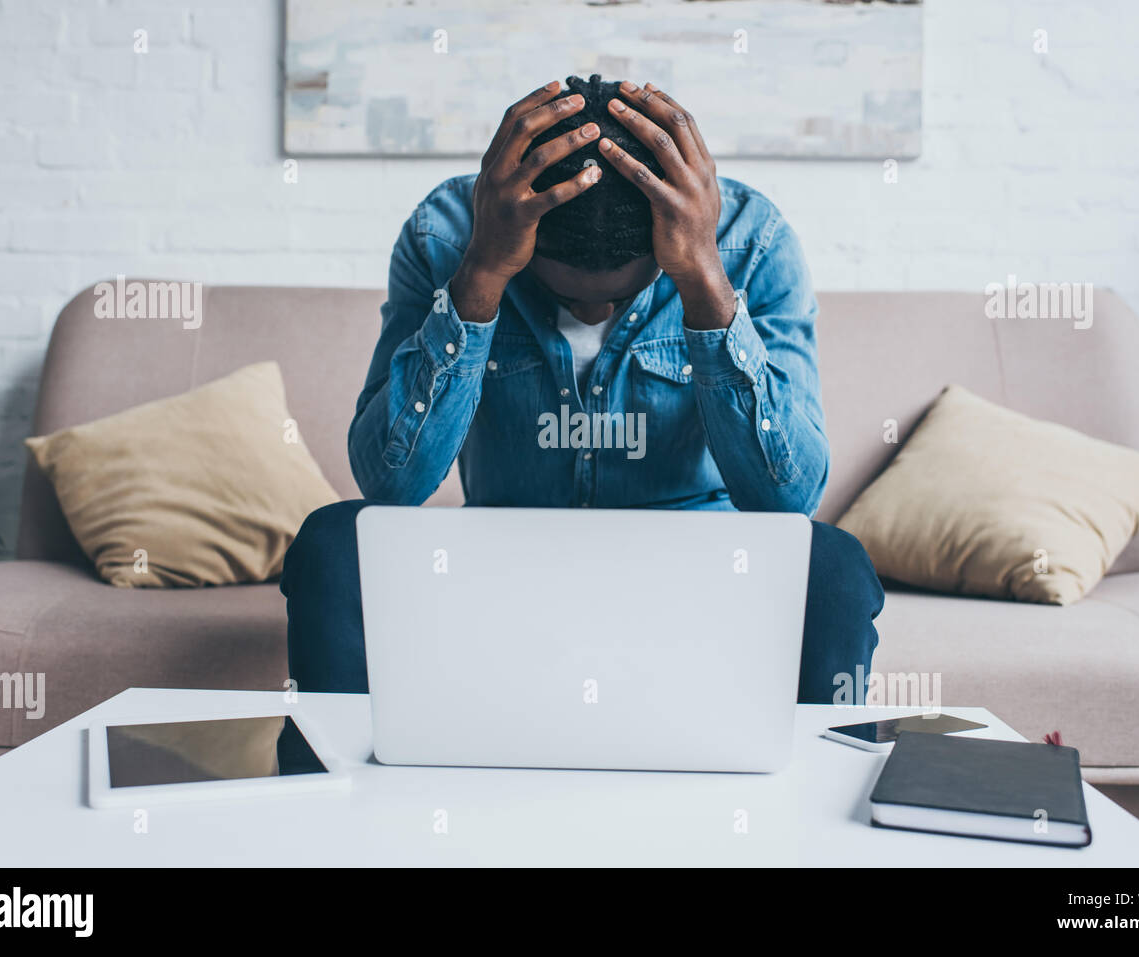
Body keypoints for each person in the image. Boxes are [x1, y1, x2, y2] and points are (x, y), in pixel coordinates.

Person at [282, 75, 884, 703]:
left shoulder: (753, 243)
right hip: (505, 564)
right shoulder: (447, 236)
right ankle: (332, 782)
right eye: (567, 297)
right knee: (332, 543)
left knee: (834, 566)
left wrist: (702, 276)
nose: (595, 316)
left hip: (696, 575)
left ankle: (818, 790)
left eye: (624, 297)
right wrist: (483, 272)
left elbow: (790, 500)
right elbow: (389, 485)